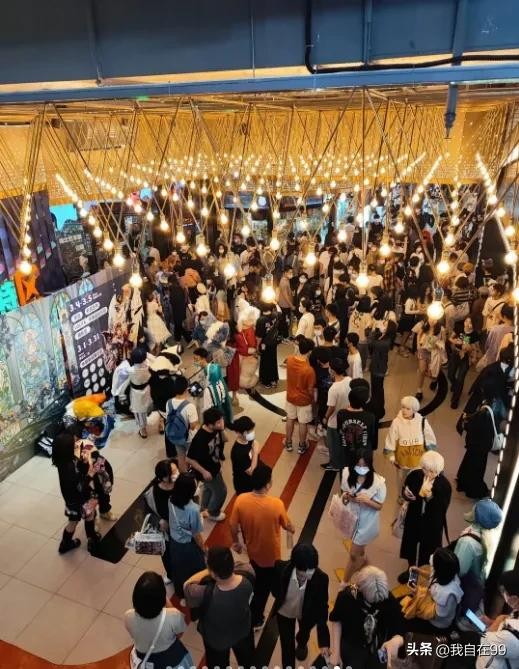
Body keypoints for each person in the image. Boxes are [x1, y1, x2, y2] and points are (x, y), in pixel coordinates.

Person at [230, 463, 295, 629]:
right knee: (263, 589)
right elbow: (287, 524)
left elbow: (233, 525)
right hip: (271, 556)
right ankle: (256, 618)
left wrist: (236, 542)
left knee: (258, 574)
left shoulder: (241, 500)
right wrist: (291, 528)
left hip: (253, 551)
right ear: (267, 484)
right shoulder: (276, 504)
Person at [184, 546, 255, 669]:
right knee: (247, 661)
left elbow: (187, 585)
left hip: (216, 639)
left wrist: (208, 570)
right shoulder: (248, 574)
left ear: (213, 573)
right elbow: (240, 565)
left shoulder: (201, 593)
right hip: (243, 630)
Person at [329, 566, 405, 669]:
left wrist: (397, 640)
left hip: (377, 647)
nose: (377, 602)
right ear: (360, 588)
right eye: (373, 600)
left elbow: (399, 624)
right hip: (352, 646)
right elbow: (336, 620)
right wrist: (336, 652)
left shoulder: (386, 598)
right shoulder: (346, 597)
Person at [271, 544, 330, 668]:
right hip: (285, 612)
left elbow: (322, 608)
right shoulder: (280, 568)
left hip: (306, 614)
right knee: (286, 645)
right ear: (294, 566)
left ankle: (302, 644)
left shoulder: (321, 578)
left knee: (304, 633)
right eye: (302, 575)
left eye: (311, 573)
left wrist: (324, 641)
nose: (307, 578)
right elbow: (275, 591)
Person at [399, 451, 452, 583]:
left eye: (432, 471)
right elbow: (405, 489)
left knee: (427, 550)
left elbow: (442, 508)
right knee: (411, 545)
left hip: (431, 524)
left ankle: (422, 574)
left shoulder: (444, 485)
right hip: (414, 518)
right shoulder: (415, 476)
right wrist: (406, 495)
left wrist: (430, 498)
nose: (428, 474)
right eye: (425, 469)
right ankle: (411, 570)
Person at [125, 571, 192, 669]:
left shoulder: (128, 616)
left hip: (144, 660)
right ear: (161, 597)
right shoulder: (173, 615)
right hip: (172, 661)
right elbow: (179, 634)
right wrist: (165, 599)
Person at [339, 449, 386, 583]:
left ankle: (345, 582)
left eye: (364, 465)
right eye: (358, 465)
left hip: (366, 524)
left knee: (353, 555)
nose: (361, 468)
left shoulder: (378, 483)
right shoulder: (347, 473)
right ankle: (369, 570)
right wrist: (347, 497)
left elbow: (379, 506)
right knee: (358, 553)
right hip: (352, 519)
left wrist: (367, 501)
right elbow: (345, 492)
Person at [52, 432, 101, 555]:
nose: (76, 444)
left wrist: (82, 463)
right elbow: (81, 487)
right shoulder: (70, 467)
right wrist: (90, 474)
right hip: (81, 498)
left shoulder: (62, 462)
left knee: (73, 521)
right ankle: (92, 540)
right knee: (90, 515)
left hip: (70, 501)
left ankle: (65, 544)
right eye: (73, 444)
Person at [453, 498, 502, 619]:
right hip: (477, 588)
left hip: (466, 591)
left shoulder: (467, 542)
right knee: (475, 613)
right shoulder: (486, 537)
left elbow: (459, 571)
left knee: (469, 619)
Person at [383, 396, 436, 506]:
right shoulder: (396, 423)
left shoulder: (422, 421)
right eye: (403, 407)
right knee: (402, 480)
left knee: (418, 479)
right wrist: (392, 458)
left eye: (408, 409)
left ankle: (416, 494)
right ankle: (401, 495)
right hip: (402, 460)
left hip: (419, 460)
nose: (404, 410)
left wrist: (429, 454)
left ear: (414, 410)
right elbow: (391, 440)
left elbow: (430, 438)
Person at [404, 548, 463, 633]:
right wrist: (419, 571)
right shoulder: (448, 572)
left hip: (437, 624)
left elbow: (435, 615)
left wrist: (418, 593)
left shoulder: (446, 594)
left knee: (406, 622)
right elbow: (432, 576)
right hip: (431, 602)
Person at [167, 473, 206, 601]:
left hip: (174, 542)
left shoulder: (171, 499)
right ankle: (193, 593)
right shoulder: (193, 509)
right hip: (188, 546)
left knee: (179, 570)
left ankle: (181, 593)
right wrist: (204, 548)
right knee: (196, 570)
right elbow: (196, 534)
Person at [186, 407, 227, 522]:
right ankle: (213, 513)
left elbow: (225, 439)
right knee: (221, 491)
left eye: (222, 420)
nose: (221, 423)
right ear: (209, 424)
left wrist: (222, 429)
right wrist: (204, 472)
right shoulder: (200, 439)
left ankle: (203, 508)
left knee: (208, 489)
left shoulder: (217, 429)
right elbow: (189, 459)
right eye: (218, 422)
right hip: (207, 470)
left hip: (214, 466)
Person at [475, 570, 519, 669]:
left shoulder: (512, 638)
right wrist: (492, 622)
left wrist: (499, 619)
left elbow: (485, 641)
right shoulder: (517, 610)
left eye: (504, 592)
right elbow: (508, 624)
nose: (503, 595)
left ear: (515, 598)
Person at [145, 459, 179, 583]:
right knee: (166, 554)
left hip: (182, 529)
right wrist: (158, 521)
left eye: (176, 470)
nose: (177, 473)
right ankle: (170, 574)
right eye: (173, 472)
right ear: (164, 477)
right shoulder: (152, 493)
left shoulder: (181, 484)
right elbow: (147, 512)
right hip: (165, 532)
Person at [456, 397, 497, 499]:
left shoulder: (481, 411)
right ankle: (473, 490)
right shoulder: (488, 412)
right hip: (480, 447)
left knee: (469, 462)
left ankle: (463, 483)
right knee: (477, 467)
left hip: (473, 444)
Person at [285, 337, 316, 455]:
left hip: (290, 396)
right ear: (309, 351)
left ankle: (288, 442)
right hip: (303, 400)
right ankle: (302, 445)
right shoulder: (309, 370)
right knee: (303, 423)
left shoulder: (289, 360)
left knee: (290, 418)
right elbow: (310, 389)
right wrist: (312, 400)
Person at [337, 385, 378, 469]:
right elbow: (372, 436)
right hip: (364, 452)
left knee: (347, 470)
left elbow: (339, 430)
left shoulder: (341, 413)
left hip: (346, 450)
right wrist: (373, 447)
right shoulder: (370, 417)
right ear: (364, 402)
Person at [322, 358, 351, 472]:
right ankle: (343, 461)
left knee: (333, 445)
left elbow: (331, 407)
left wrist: (325, 417)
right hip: (347, 418)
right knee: (343, 443)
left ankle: (335, 465)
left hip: (334, 422)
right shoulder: (349, 380)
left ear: (333, 371)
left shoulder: (334, 389)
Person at [165, 375, 199, 472]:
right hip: (188, 438)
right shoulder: (190, 406)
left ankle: (183, 475)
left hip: (175, 436)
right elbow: (193, 426)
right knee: (192, 457)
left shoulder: (168, 403)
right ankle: (191, 473)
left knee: (180, 456)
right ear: (186, 389)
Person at [448, 316, 480, 409]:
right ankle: (455, 385)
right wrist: (455, 341)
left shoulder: (474, 334)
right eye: (466, 321)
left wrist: (472, 352)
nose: (467, 324)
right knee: (450, 374)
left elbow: (476, 348)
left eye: (470, 322)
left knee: (460, 379)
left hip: (466, 357)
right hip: (456, 354)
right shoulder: (459, 328)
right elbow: (450, 338)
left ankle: (455, 399)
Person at [412, 316, 446, 401]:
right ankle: (419, 391)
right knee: (422, 370)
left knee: (433, 373)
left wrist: (437, 344)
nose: (432, 321)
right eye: (430, 318)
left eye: (434, 319)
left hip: (434, 353)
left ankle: (434, 380)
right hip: (424, 350)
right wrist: (418, 346)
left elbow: (443, 342)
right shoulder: (425, 325)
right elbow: (419, 334)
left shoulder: (441, 329)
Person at [368, 322, 396, 419]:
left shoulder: (386, 341)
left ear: (389, 329)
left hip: (379, 368)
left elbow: (371, 343)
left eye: (385, 324)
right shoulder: (381, 336)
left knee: (378, 390)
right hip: (375, 366)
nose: (382, 324)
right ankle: (375, 406)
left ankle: (378, 410)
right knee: (375, 388)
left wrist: (373, 331)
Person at [230, 416, 261, 494]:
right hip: (244, 486)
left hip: (253, 481)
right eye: (249, 431)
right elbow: (251, 472)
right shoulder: (238, 452)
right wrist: (255, 452)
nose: (252, 433)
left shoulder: (248, 440)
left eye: (252, 430)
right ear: (239, 433)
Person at [129, 347, 152, 438]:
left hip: (136, 392)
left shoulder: (131, 370)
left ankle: (143, 430)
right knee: (146, 405)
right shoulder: (148, 366)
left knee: (139, 412)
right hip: (146, 389)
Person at [255, 302, 280, 388]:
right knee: (273, 360)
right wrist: (275, 303)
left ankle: (266, 381)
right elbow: (279, 311)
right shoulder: (275, 315)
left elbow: (259, 337)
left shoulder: (260, 320)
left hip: (264, 345)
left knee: (265, 362)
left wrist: (257, 346)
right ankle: (274, 380)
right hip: (274, 342)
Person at [202, 362, 233, 427]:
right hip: (223, 409)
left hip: (214, 414)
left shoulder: (208, 390)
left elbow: (207, 408)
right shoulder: (222, 383)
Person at [348, 296, 372, 371]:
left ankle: (351, 368)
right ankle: (359, 369)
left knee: (352, 354)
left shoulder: (355, 311)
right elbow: (368, 329)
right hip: (362, 339)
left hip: (351, 337)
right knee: (361, 356)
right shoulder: (367, 315)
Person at [397, 285, 421, 357]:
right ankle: (401, 348)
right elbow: (406, 311)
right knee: (405, 335)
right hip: (407, 320)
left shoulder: (413, 299)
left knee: (408, 334)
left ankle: (403, 346)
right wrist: (417, 312)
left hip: (410, 319)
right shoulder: (409, 300)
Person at [277, 267, 294, 340]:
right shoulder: (283, 282)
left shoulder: (287, 280)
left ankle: (282, 335)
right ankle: (285, 336)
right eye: (290, 272)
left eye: (292, 272)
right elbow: (285, 296)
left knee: (284, 320)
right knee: (285, 321)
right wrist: (291, 305)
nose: (291, 274)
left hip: (286, 305)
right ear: (285, 273)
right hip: (284, 305)